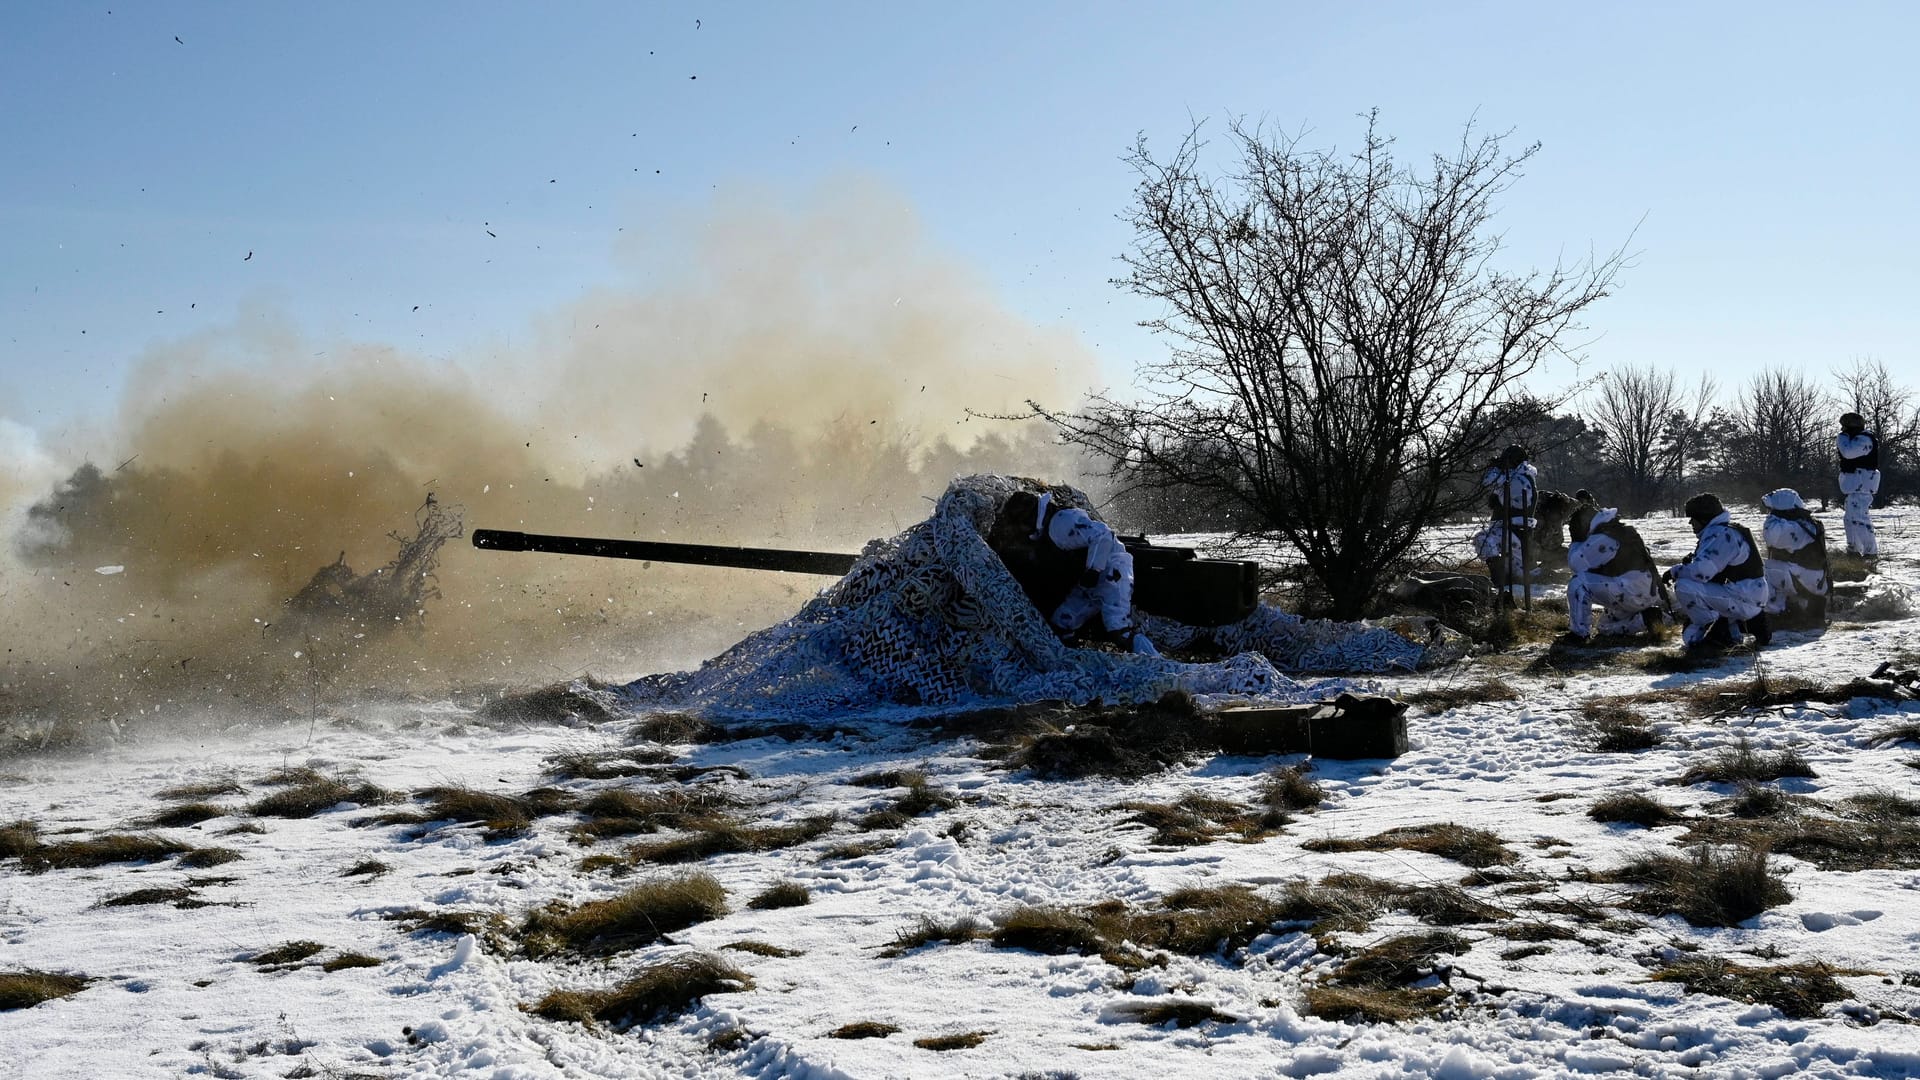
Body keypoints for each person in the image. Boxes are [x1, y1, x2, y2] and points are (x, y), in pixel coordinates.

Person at [1000, 490, 1157, 656]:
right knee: (1062, 623)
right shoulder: (1053, 525)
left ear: (1031, 516)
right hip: (1090, 581)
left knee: (1120, 631)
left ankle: (1158, 664)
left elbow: (1103, 535)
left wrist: (1093, 570)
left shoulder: (1060, 523)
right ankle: (1072, 659)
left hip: (1113, 574)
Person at [1665, 493, 1772, 650]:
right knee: (1689, 638)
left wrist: (1674, 571)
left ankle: (1719, 629)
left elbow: (1702, 573)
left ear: (1704, 518)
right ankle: (1734, 628)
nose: (1690, 522)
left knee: (1684, 586)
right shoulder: (1726, 530)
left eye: (1693, 518)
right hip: (1745, 594)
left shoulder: (1720, 535)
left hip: (1743, 596)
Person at [1565, 504, 1664, 640]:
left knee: (1578, 583)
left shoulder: (1604, 538)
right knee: (1604, 627)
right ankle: (1646, 620)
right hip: (1641, 591)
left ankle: (1579, 634)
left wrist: (1576, 541)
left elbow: (1575, 564)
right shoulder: (1617, 530)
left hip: (1630, 591)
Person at [1472, 444, 1537, 598]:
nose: (1504, 464)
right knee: (1515, 573)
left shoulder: (1518, 479)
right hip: (1512, 532)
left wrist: (1496, 470)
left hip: (1513, 533)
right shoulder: (1521, 476)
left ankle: (1499, 582)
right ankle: (1505, 579)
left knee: (1483, 539)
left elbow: (1488, 482)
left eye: (1506, 461)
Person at [1760, 487, 1829, 629]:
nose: (1770, 514)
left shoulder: (1796, 527)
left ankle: (1777, 613)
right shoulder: (1803, 523)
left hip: (1810, 580)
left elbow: (1773, 537)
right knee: (1773, 568)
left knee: (1764, 570)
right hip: (1810, 578)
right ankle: (1794, 608)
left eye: (1773, 510)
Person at [1837, 411, 1880, 557]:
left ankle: (1870, 552)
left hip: (1862, 483)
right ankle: (1854, 549)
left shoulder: (1864, 439)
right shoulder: (1856, 438)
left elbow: (1848, 453)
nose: (1842, 430)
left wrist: (1842, 439)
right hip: (1856, 484)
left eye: (1844, 426)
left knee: (1859, 518)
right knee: (1850, 518)